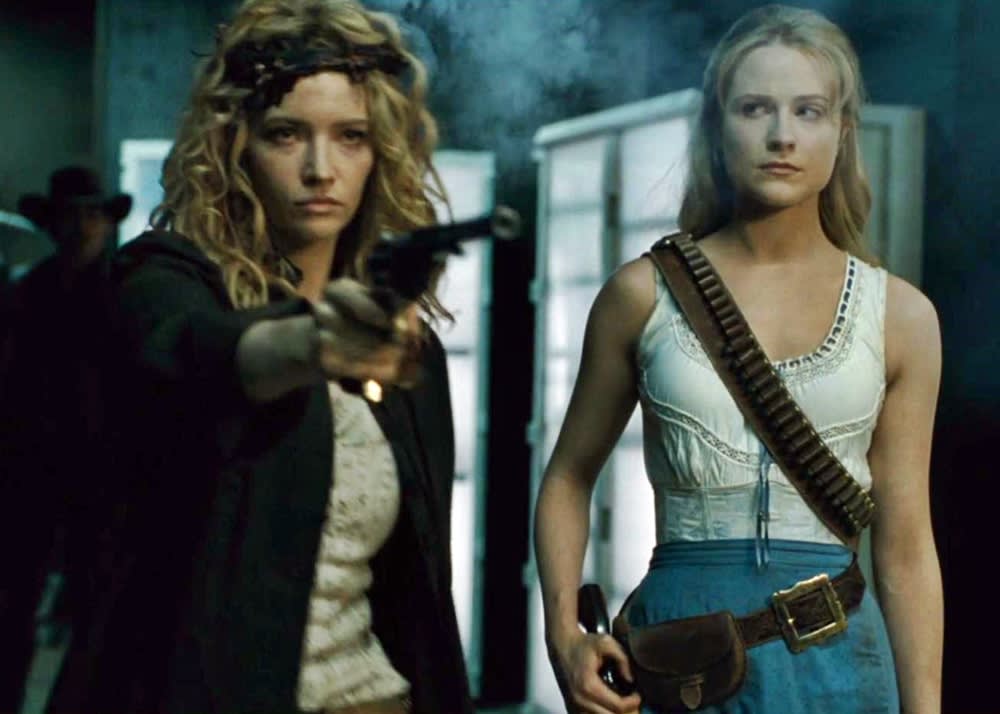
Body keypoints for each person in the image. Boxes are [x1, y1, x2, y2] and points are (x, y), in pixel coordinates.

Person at [48, 1, 471, 713]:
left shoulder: (401, 346)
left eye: (350, 136)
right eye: (285, 133)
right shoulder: (165, 280)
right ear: (236, 145)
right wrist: (313, 341)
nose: (319, 168)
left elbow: (423, 594)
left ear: (379, 152)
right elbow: (200, 351)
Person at [534, 5, 942, 714]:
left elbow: (905, 544)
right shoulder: (642, 294)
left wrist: (925, 707)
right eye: (755, 108)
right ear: (716, 127)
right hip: (682, 657)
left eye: (809, 111)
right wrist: (564, 636)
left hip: (841, 662)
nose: (782, 135)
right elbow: (568, 477)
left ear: (843, 132)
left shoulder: (901, 315)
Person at [0, 166, 131, 714]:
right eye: (70, 216)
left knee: (98, 606)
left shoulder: (125, 294)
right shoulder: (28, 293)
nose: (82, 227)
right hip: (28, 467)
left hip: (101, 472)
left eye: (92, 215)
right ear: (52, 225)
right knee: (13, 601)